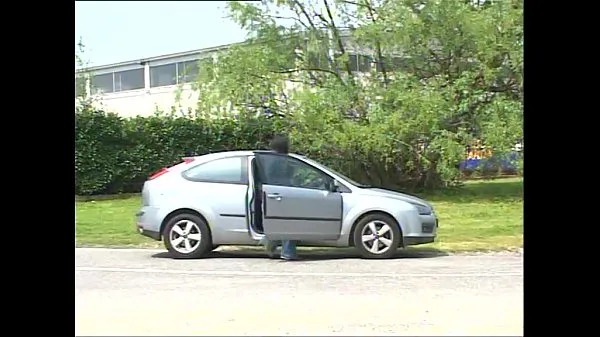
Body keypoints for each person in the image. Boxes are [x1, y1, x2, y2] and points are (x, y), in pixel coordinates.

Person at [262, 135, 299, 261]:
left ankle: (270, 245)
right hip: (286, 193)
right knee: (289, 224)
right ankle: (287, 251)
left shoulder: (268, 160)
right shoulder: (288, 161)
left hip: (272, 194)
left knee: (276, 222)